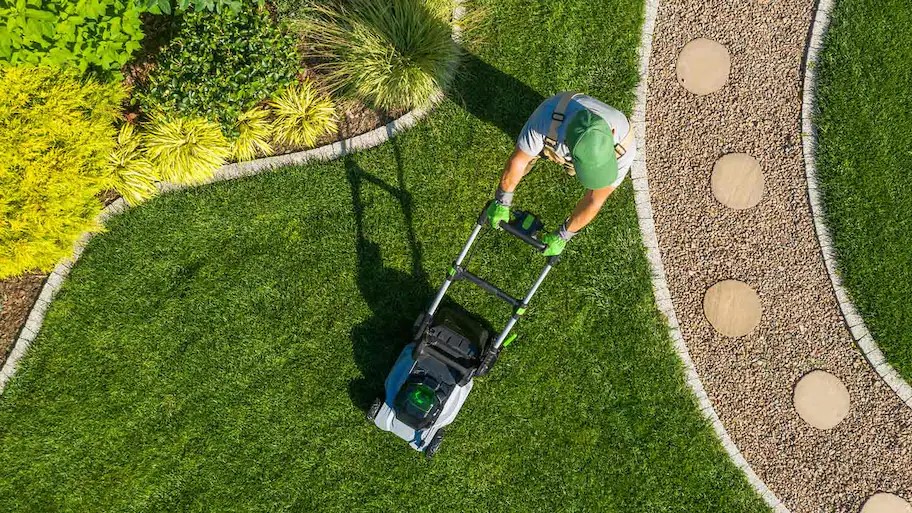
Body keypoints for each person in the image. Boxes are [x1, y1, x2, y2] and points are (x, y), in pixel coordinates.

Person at [485, 92, 636, 256]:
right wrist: (502, 200)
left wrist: (563, 235)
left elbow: (594, 200)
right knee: (526, 158)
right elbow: (518, 161)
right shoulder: (546, 118)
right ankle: (541, 153)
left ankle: (564, 162)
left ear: (612, 134)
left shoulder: (624, 148)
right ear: (568, 147)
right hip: (555, 129)